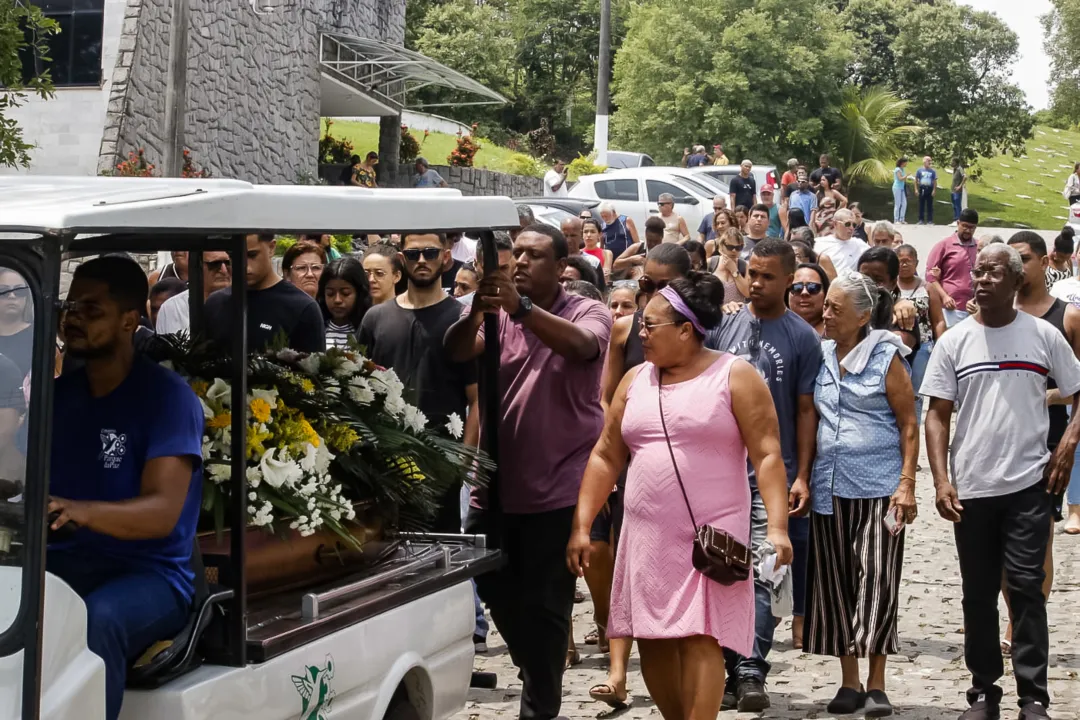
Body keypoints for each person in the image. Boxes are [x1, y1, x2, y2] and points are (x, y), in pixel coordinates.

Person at [568, 271, 792, 720]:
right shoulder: (634, 380)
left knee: (700, 634)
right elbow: (606, 455)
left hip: (710, 534)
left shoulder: (736, 376)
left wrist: (778, 526)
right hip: (646, 532)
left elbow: (767, 454)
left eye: (651, 326)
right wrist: (582, 524)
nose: (641, 334)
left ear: (687, 330)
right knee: (652, 636)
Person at [446, 224, 613, 720]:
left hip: (557, 491)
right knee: (493, 588)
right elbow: (457, 352)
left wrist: (521, 310)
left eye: (534, 255)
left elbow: (584, 346)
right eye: (514, 253)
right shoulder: (494, 313)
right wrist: (479, 307)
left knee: (545, 605)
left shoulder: (588, 310)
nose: (519, 261)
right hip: (493, 490)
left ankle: (538, 702)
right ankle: (539, 670)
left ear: (562, 267)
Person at [922, 243, 1080, 720]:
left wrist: (1068, 444)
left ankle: (1033, 697)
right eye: (979, 272)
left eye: (994, 273)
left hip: (1029, 485)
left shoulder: (1042, 335)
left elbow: (1077, 392)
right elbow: (936, 415)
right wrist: (941, 480)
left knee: (1028, 589)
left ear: (1016, 282)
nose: (984, 279)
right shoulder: (955, 341)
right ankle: (983, 691)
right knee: (977, 593)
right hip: (972, 489)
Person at [47, 256, 205, 720]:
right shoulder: (60, 397)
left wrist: (80, 511)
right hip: (63, 562)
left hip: (150, 576)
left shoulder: (168, 399)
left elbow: (161, 514)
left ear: (129, 321)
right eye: (69, 305)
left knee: (99, 621)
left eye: (90, 309)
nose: (72, 317)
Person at [706, 240, 823, 712]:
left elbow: (805, 409)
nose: (756, 283)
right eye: (751, 273)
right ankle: (724, 666)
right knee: (718, 567)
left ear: (789, 279)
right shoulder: (723, 323)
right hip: (718, 469)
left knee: (765, 569)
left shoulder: (801, 337)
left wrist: (802, 474)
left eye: (767, 276)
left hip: (771, 473)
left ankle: (751, 670)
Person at [807, 272, 918, 717]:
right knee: (835, 584)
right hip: (828, 487)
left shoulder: (887, 357)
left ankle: (876, 684)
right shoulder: (821, 354)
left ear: (863, 316)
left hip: (879, 488)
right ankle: (848, 681)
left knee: (877, 581)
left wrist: (907, 483)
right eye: (826, 306)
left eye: (835, 308)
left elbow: (909, 422)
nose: (826, 314)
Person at [588, 243, 693, 710]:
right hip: (633, 465)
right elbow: (609, 398)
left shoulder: (702, 336)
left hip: (686, 477)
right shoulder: (626, 329)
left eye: (659, 285)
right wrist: (614, 461)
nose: (648, 292)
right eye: (644, 283)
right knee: (624, 568)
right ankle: (616, 673)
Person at [360, 233, 479, 531]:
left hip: (440, 465)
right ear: (402, 259)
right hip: (380, 465)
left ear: (447, 258)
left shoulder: (462, 321)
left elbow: (478, 398)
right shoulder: (375, 318)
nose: (422, 260)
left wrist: (460, 465)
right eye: (413, 254)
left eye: (430, 253)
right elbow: (358, 388)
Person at [998, 232, 1080, 661]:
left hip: (1046, 438)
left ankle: (1024, 622)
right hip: (996, 439)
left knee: (1036, 540)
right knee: (995, 545)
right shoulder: (995, 313)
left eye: (1023, 258)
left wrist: (1055, 403)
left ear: (1045, 260)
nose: (1016, 266)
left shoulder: (1066, 317)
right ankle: (1017, 612)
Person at [203, 234, 325, 353]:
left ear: (271, 248)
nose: (244, 265)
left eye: (252, 255)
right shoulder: (215, 303)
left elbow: (314, 369)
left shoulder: (303, 308)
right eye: (235, 255)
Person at [895, 244, 943, 417]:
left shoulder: (928, 288)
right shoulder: (890, 288)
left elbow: (938, 320)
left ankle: (913, 426)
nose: (904, 265)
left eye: (908, 261)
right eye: (900, 261)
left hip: (923, 345)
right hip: (895, 346)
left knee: (915, 391)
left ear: (917, 262)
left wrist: (941, 346)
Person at [155, 252, 233, 336]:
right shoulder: (172, 308)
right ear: (197, 267)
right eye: (214, 264)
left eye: (228, 263)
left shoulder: (244, 303)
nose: (224, 270)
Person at [926, 208, 979, 328]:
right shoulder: (944, 245)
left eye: (972, 228)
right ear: (958, 223)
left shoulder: (979, 246)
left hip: (974, 308)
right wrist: (944, 296)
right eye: (965, 226)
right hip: (950, 308)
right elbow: (930, 277)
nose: (967, 230)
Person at [318, 256, 372, 349]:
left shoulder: (369, 329)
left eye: (345, 293)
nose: (337, 300)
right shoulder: (316, 329)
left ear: (359, 294)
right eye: (330, 294)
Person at [815, 209, 870, 277]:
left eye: (854, 225)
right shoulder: (819, 243)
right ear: (835, 224)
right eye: (847, 224)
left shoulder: (859, 244)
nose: (851, 228)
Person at [0, 268, 34, 377]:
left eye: (19, 291)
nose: (12, 296)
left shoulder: (39, 335)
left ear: (27, 296)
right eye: (4, 291)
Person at [709, 227, 750, 303]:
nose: (734, 250)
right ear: (721, 246)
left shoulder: (744, 265)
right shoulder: (711, 262)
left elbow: (747, 293)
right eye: (730, 247)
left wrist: (734, 270)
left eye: (738, 247)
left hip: (736, 313)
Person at [789, 263, 829, 337]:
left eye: (813, 287)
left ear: (826, 293)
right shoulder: (775, 329)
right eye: (797, 288)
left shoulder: (837, 334)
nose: (804, 292)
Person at [915, 156, 938, 225]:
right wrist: (916, 189)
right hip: (922, 188)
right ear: (924, 161)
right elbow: (916, 180)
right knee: (921, 205)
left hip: (929, 189)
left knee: (930, 205)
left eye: (930, 161)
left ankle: (929, 220)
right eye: (928, 160)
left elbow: (934, 181)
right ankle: (921, 220)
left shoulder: (932, 171)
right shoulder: (919, 170)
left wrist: (934, 190)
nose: (929, 162)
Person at [893, 157, 910, 224]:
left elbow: (903, 179)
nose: (906, 164)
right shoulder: (897, 169)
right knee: (898, 203)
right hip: (897, 187)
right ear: (902, 163)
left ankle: (902, 219)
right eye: (905, 162)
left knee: (904, 203)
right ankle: (896, 219)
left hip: (902, 188)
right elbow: (900, 178)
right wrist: (907, 175)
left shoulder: (902, 169)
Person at [951, 158, 967, 225]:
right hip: (953, 190)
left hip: (957, 191)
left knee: (957, 205)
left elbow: (965, 177)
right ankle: (955, 219)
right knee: (954, 205)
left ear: (956, 163)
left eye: (953, 162)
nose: (951, 163)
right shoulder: (955, 169)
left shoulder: (960, 168)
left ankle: (958, 219)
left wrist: (960, 186)